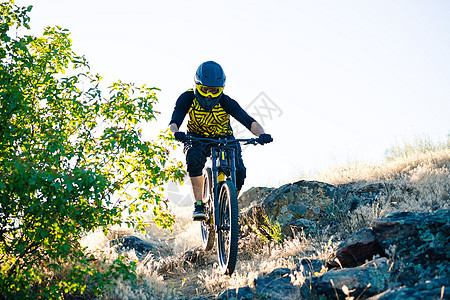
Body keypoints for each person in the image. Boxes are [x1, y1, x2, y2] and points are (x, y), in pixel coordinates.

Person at [169, 61, 272, 221]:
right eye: (205, 90)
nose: (209, 95)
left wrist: (262, 134)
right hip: (196, 137)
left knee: (239, 171)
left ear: (221, 89)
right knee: (194, 157)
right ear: (197, 85)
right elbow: (174, 121)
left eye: (214, 90)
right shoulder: (187, 98)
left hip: (224, 138)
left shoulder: (225, 101)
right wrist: (176, 133)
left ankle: (229, 206)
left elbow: (248, 121)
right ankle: (199, 205)